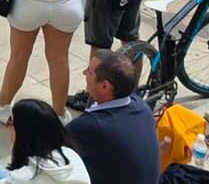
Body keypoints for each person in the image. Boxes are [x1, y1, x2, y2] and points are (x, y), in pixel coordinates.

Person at [65, 51, 160, 184]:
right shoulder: (141, 106)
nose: (84, 73)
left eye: (89, 72)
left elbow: (50, 150)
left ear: (105, 86)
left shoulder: (89, 126)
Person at [0, 100, 90, 184]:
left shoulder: (23, 177)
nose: (8, 126)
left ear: (24, 133)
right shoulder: (70, 154)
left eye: (11, 121)